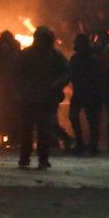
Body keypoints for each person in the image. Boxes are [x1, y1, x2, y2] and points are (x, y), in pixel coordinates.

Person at [17, 26, 68, 169]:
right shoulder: (27, 54)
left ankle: (41, 158)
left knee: (42, 130)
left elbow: (66, 72)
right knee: (29, 129)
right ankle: (26, 157)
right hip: (30, 98)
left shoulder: (54, 56)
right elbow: (17, 74)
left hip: (45, 98)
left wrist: (57, 85)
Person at [68, 33, 103, 155]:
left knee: (91, 119)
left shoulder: (92, 60)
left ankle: (91, 144)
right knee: (75, 116)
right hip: (80, 91)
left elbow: (98, 76)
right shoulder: (76, 59)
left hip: (89, 92)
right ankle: (81, 142)